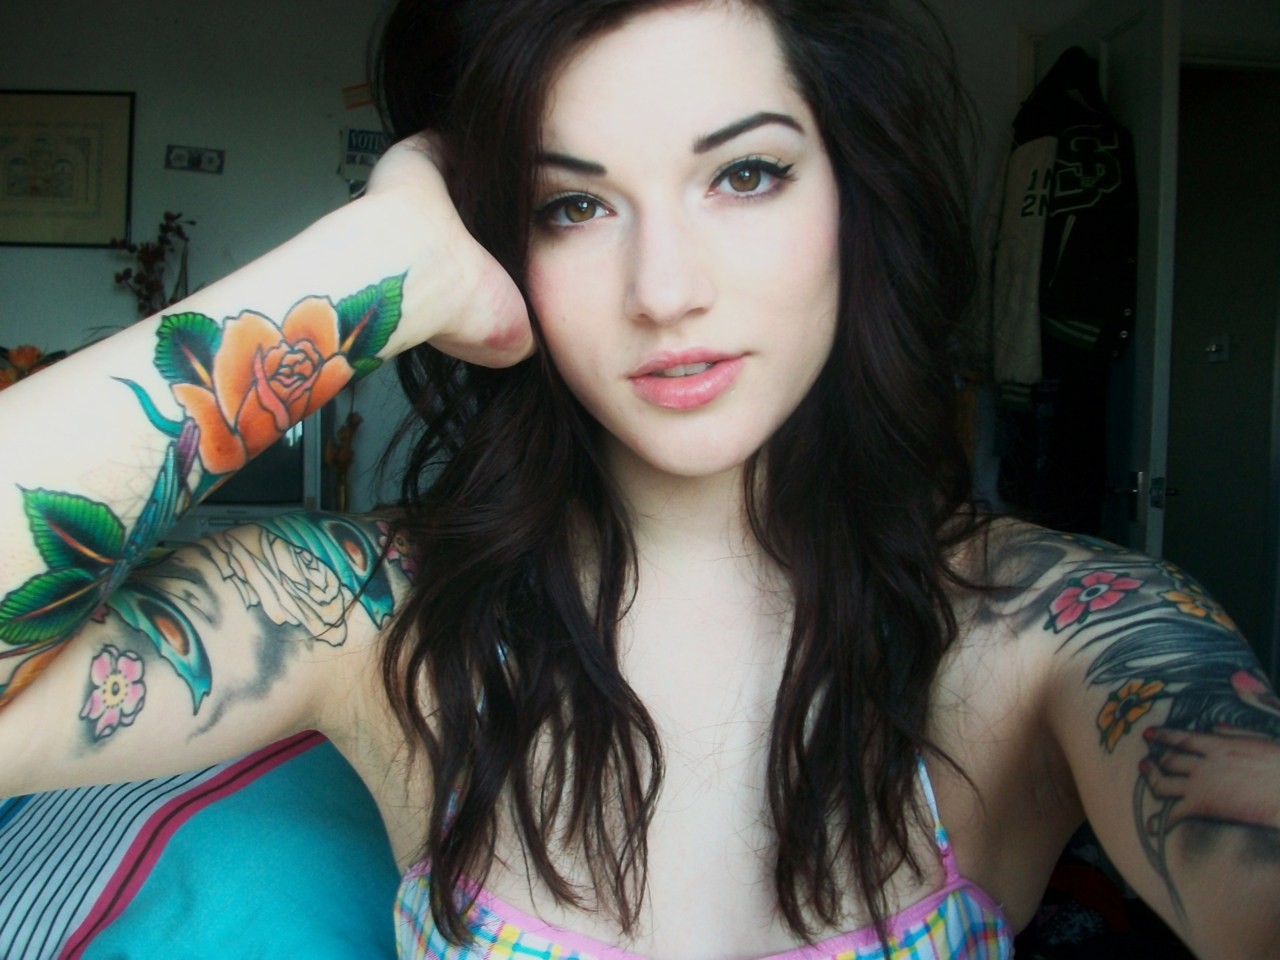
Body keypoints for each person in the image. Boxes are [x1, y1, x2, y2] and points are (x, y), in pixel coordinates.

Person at [1, 1, 1277, 957]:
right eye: (570, 206)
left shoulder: (1050, 633)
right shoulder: (378, 612)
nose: (664, 290)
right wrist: (378, 254)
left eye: (745, 174)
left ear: (854, 197)